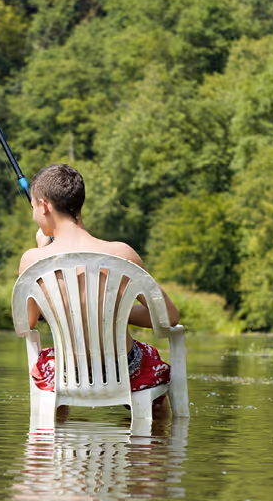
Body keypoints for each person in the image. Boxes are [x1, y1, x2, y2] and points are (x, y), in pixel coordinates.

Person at [19, 163, 179, 398]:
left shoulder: (33, 260)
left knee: (52, 366)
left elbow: (27, 323)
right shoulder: (122, 253)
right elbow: (169, 317)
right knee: (149, 367)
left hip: (65, 372)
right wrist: (114, 313)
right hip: (126, 370)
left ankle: (56, 427)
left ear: (43, 205)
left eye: (33, 206)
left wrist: (43, 248)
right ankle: (155, 431)